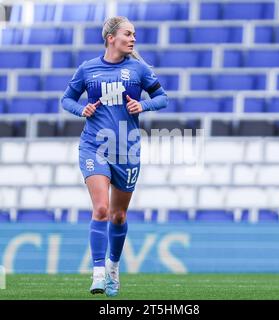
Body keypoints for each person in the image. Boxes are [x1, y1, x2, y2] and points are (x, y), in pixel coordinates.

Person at [61, 16, 168, 297]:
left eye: (134, 35)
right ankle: (97, 274)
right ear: (111, 38)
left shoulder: (138, 69)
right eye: (128, 34)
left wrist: (142, 105)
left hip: (127, 149)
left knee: (119, 216)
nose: (133, 39)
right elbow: (67, 99)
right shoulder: (88, 69)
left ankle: (113, 268)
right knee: (101, 209)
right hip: (93, 146)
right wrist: (80, 110)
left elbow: (163, 98)